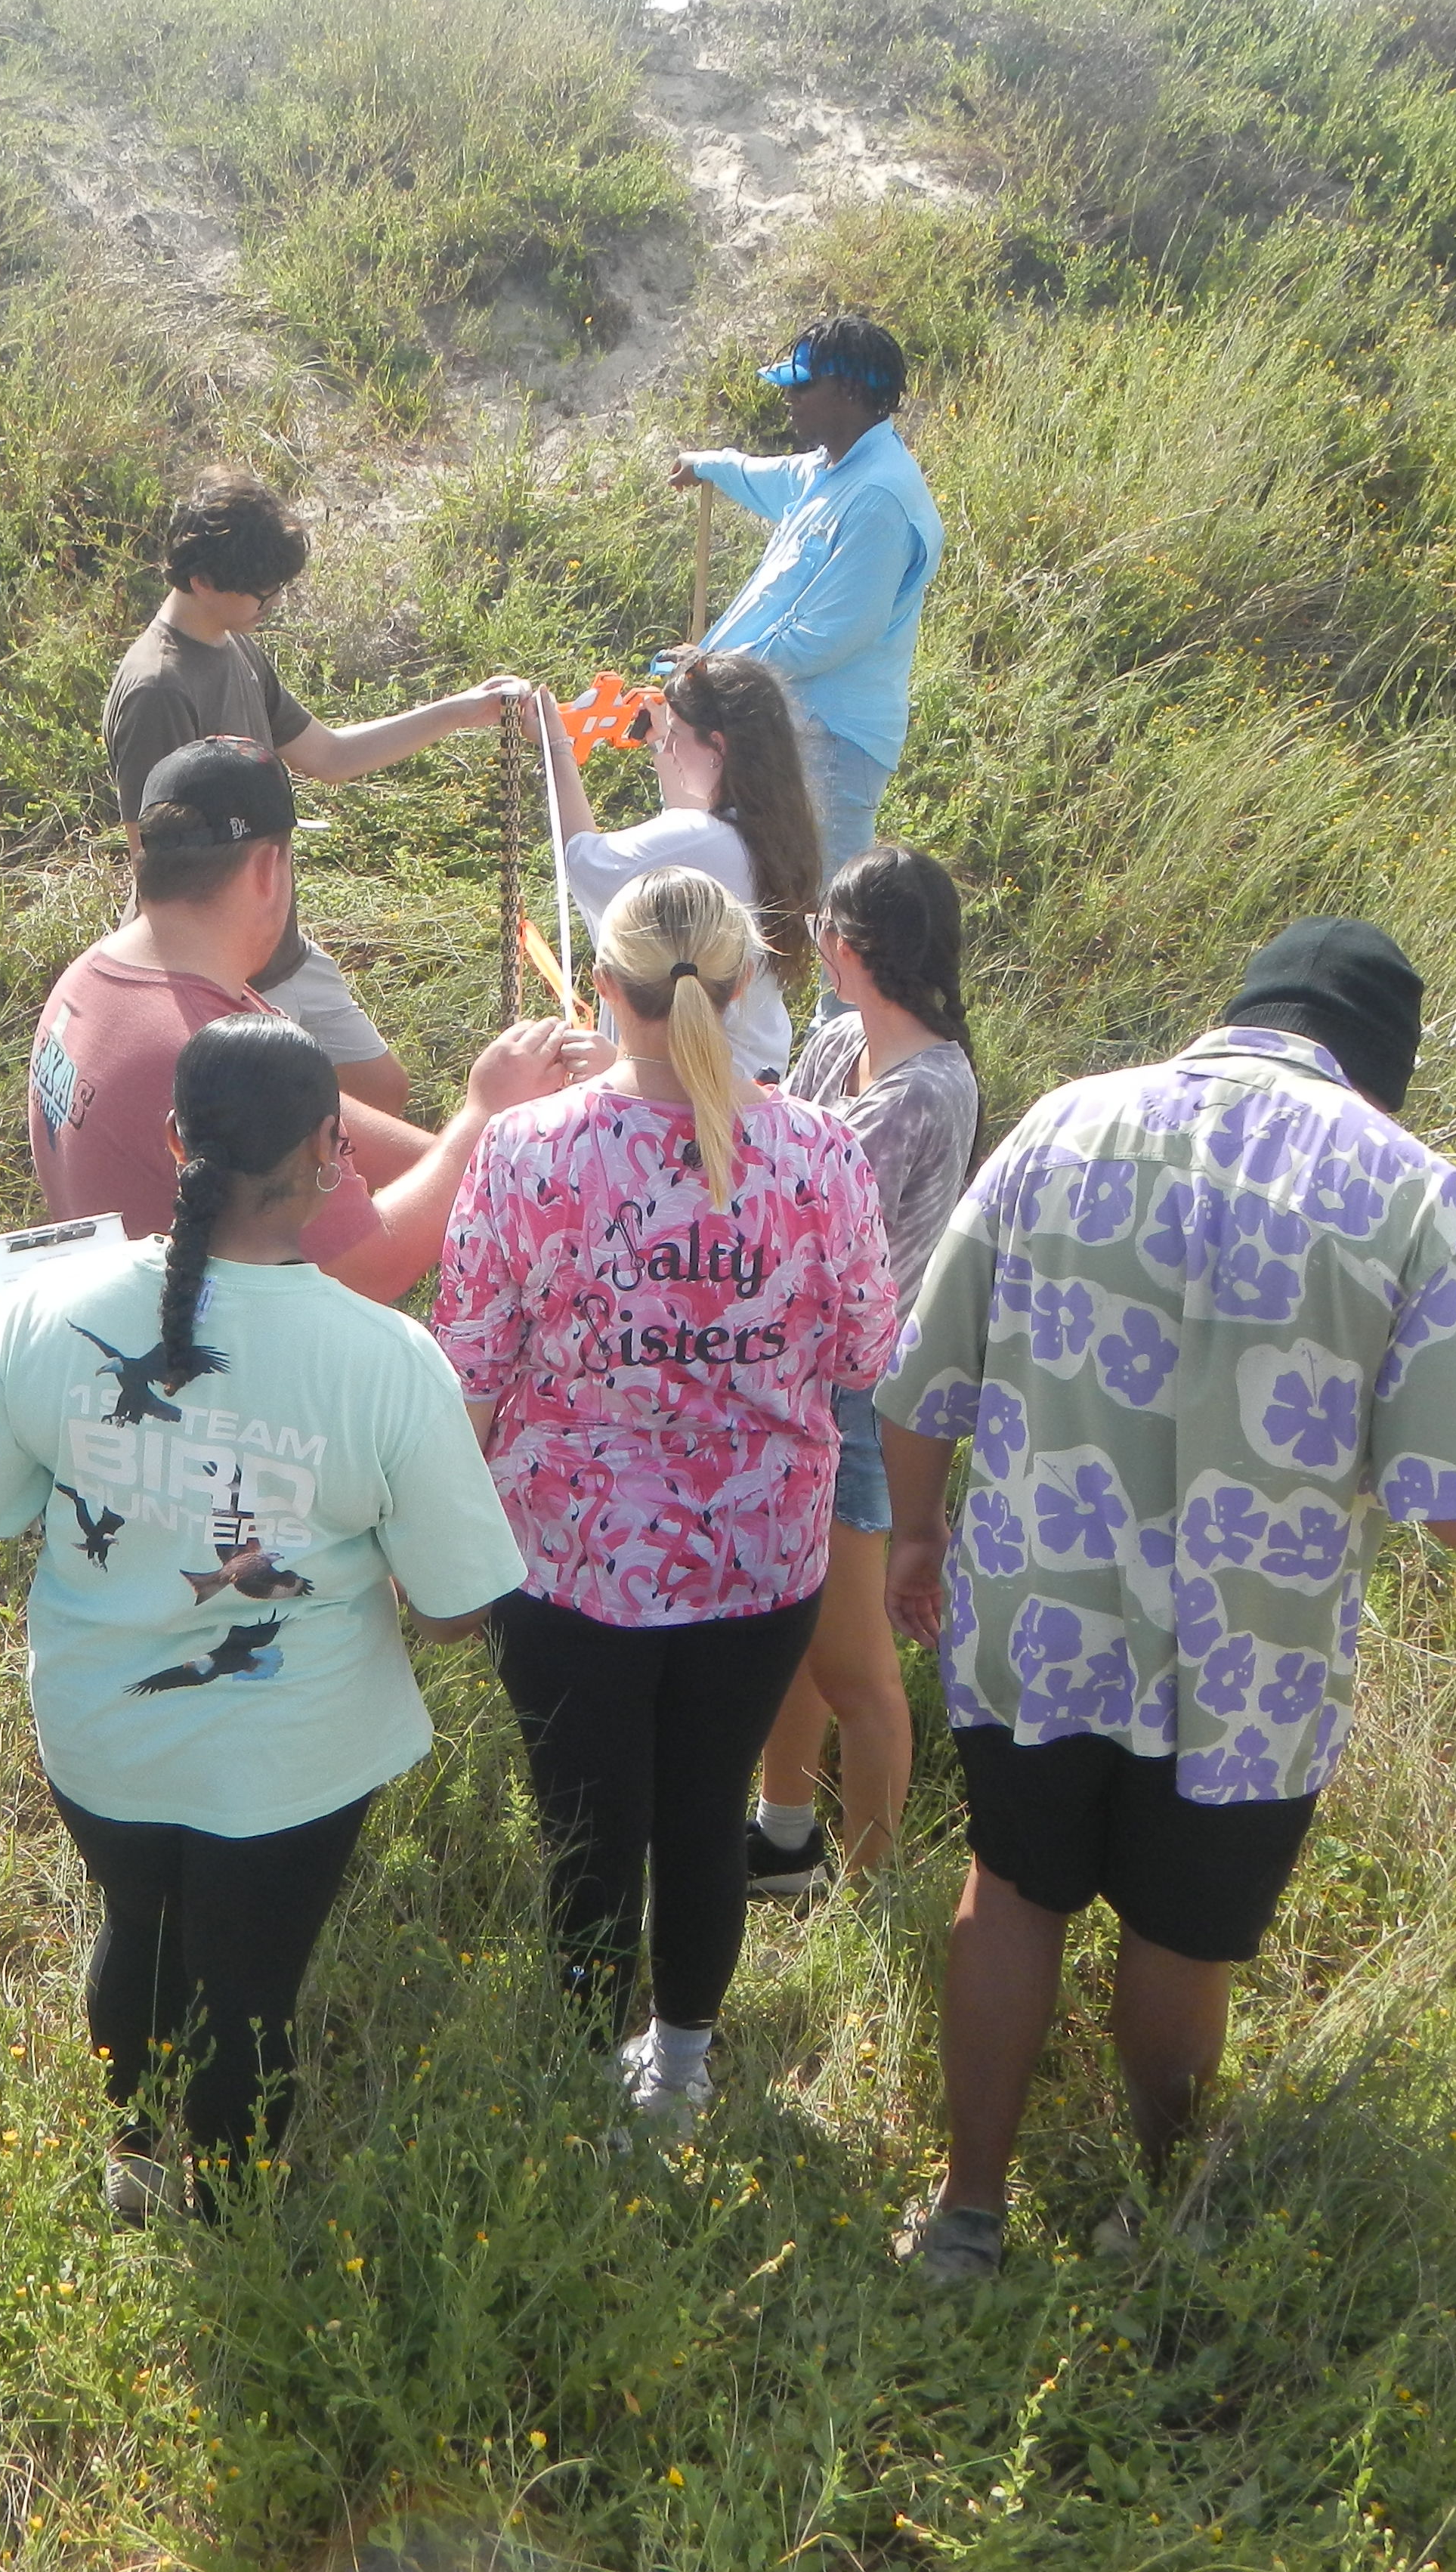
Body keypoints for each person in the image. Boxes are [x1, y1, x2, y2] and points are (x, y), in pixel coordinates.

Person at [876, 918, 1456, 2286]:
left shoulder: (1064, 1125)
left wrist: (914, 1535)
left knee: (1009, 1889)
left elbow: (922, 1372)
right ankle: (1153, 2216)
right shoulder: (1409, 1190)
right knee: (1181, 1940)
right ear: (1379, 1067)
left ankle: (965, 2215)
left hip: (1039, 1609)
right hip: (1252, 1658)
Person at [0, 1015, 527, 2215]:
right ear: (331, 1150)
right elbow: (457, 1613)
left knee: (137, 1926)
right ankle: (233, 2211)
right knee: (250, 1989)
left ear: (173, 1140)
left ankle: (134, 2157)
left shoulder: (44, 1311)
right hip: (293, 1762)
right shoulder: (389, 1359)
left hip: (101, 1734)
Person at [432, 867, 898, 2133]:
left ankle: (589, 2067)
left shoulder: (526, 1151)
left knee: (585, 1823)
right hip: (759, 1559)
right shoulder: (820, 1151)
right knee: (703, 1813)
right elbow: (866, 1353)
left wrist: (434, 1546)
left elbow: (468, 1367)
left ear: (602, 986)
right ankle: (681, 2068)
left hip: (563, 1560)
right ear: (746, 984)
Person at [32, 735, 593, 1302]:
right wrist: (485, 1119)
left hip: (112, 1323)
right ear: (267, 869)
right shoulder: (201, 1048)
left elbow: (325, 1121)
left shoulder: (91, 981)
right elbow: (367, 1269)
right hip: (212, 1350)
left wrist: (494, 1164)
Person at [107, 469, 526, 1112]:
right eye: (262, 593)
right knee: (300, 1133)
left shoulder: (238, 649)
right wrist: (220, 994)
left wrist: (459, 712)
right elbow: (155, 867)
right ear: (204, 581)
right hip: (221, 975)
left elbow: (330, 756)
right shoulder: (158, 690)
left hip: (282, 950)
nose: (271, 605)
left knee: (383, 1094)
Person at [745, 845, 985, 1895]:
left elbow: (795, 1202)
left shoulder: (926, 1088)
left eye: (820, 934)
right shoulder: (845, 1040)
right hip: (802, 1375)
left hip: (858, 1393)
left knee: (856, 1665)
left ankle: (874, 1896)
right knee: (797, 1631)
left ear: (849, 945)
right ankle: (785, 1836)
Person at [668, 315, 945, 896]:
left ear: (850, 390)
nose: (788, 397)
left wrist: (710, 667)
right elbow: (766, 476)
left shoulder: (879, 499)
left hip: (835, 743)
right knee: (770, 897)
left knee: (829, 910)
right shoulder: (830, 469)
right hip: (797, 728)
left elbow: (828, 636)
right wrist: (706, 464)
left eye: (803, 384)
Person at [534, 648, 821, 1086]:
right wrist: (658, 743)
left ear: (717, 745)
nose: (668, 746)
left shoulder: (706, 839)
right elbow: (688, 828)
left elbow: (584, 862)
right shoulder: (775, 831)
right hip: (748, 1074)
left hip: (687, 1087)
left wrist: (556, 746)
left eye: (676, 734)